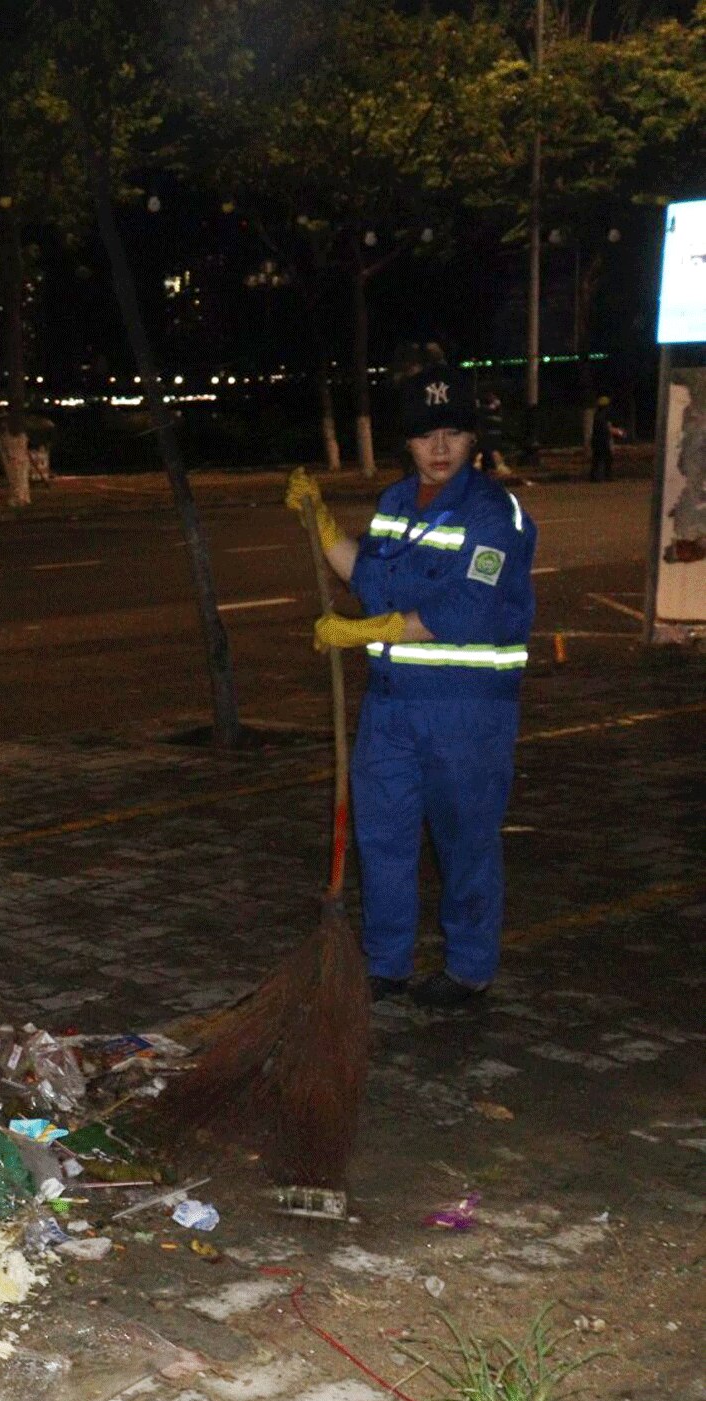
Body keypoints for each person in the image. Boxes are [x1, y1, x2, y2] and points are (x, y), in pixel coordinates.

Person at [286, 364, 535, 1009]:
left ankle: (468, 970)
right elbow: (366, 576)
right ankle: (386, 963)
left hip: (468, 710)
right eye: (427, 434)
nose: (441, 447)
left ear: (472, 437)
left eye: (453, 431)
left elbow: (467, 610)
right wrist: (320, 522)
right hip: (392, 706)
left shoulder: (494, 514)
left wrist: (366, 629)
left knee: (466, 842)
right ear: (409, 441)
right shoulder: (396, 504)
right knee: (385, 836)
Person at [589, 395, 616, 483]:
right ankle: (605, 476)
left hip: (597, 440)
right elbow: (605, 428)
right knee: (606, 458)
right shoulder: (602, 416)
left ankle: (595, 477)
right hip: (601, 440)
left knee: (597, 459)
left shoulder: (598, 415)